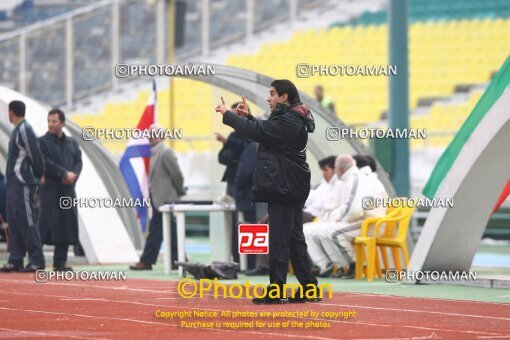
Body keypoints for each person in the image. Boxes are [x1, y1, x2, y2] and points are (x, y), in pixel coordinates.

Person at [216, 80, 319, 304]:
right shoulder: (290, 118)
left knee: (279, 240)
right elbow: (264, 131)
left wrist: (230, 116)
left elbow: (262, 132)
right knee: (292, 239)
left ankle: (276, 291)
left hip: (285, 185)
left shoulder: (290, 120)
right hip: (287, 184)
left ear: (284, 97)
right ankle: (309, 288)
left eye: (272, 94)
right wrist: (248, 119)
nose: (268, 97)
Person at [130, 124, 185, 270]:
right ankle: (178, 260)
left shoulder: (165, 152)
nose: (151, 137)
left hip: (167, 199)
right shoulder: (156, 152)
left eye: (154, 134)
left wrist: (179, 191)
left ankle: (150, 260)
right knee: (165, 230)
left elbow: (177, 175)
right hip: (159, 199)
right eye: (150, 134)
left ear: (162, 136)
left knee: (161, 231)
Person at [0, 100, 45, 272]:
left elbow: (35, 153)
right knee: (13, 220)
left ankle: (37, 260)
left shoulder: (25, 129)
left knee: (26, 220)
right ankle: (16, 258)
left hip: (22, 183)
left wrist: (38, 173)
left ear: (11, 112)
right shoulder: (17, 130)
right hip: (13, 183)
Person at [38, 108, 82, 272]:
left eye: (54, 121)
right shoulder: (41, 142)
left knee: (66, 224)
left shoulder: (72, 143)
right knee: (44, 225)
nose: (50, 124)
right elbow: (45, 162)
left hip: (67, 190)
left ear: (62, 123)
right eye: (49, 121)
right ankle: (36, 261)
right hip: (50, 191)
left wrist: (74, 175)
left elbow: (78, 161)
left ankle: (60, 262)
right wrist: (63, 173)